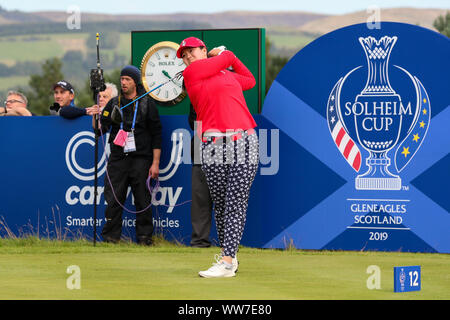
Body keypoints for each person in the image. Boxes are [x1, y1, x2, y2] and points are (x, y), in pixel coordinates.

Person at [178, 37, 259, 278]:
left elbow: (250, 80)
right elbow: (229, 58)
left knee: (235, 201)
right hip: (212, 144)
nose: (187, 56)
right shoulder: (191, 74)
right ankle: (230, 258)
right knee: (222, 205)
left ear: (203, 50)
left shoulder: (226, 75)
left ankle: (226, 261)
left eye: (191, 50)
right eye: (183, 54)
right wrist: (225, 54)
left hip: (244, 139)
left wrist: (226, 59)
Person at [95, 65, 162, 245]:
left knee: (142, 200)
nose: (123, 83)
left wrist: (155, 163)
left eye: (127, 80)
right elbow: (101, 129)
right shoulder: (114, 102)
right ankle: (110, 238)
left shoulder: (147, 103)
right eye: (122, 79)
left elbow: (157, 134)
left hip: (141, 159)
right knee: (114, 199)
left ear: (135, 82)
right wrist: (97, 118)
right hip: (118, 159)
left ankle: (145, 238)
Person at [189, 103, 213, 248]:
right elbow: (193, 123)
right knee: (200, 199)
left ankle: (228, 244)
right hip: (200, 146)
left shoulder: (226, 90)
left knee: (225, 200)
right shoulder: (197, 93)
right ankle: (199, 241)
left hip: (225, 142)